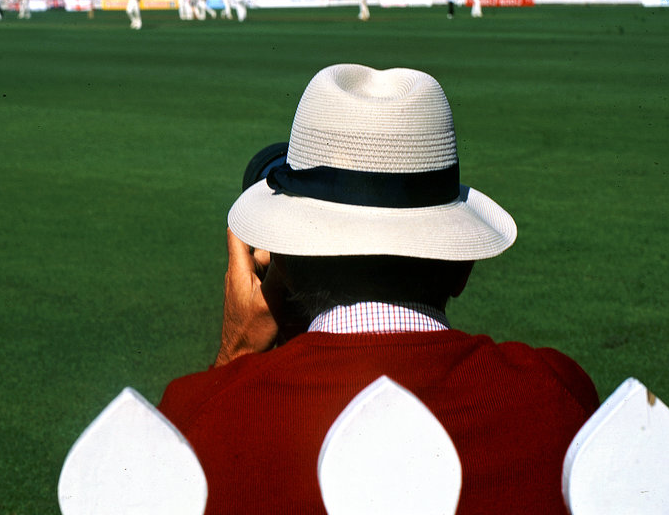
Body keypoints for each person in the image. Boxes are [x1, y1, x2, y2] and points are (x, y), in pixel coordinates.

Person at [158, 64, 599, 515]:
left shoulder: (201, 412)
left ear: (280, 258)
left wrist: (235, 356)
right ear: (463, 264)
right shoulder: (557, 391)